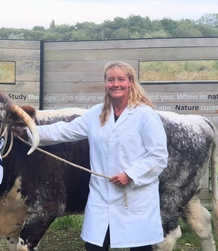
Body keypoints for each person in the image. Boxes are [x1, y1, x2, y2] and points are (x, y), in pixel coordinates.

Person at [31, 62, 168, 251]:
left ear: (130, 82)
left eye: (121, 79)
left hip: (135, 198)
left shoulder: (145, 115)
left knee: (140, 248)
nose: (116, 84)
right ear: (105, 83)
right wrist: (27, 132)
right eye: (111, 80)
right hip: (102, 198)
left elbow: (159, 156)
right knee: (94, 247)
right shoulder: (96, 114)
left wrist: (131, 174)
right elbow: (64, 131)